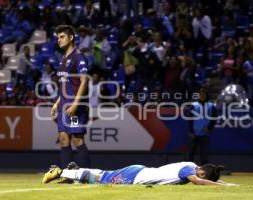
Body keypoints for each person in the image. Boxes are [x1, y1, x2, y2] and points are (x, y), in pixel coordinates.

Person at [51, 25, 90, 169]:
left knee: (77, 139)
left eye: (62, 37)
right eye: (57, 38)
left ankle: (86, 174)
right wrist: (56, 103)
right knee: (63, 139)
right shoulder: (63, 59)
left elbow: (84, 81)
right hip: (63, 106)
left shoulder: (79, 57)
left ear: (71, 37)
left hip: (76, 106)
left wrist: (75, 104)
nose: (59, 40)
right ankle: (66, 174)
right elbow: (64, 85)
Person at [42, 161, 236, 186]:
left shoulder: (192, 164)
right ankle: (60, 172)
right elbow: (197, 182)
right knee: (102, 180)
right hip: (136, 176)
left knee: (104, 175)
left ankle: (74, 174)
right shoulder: (189, 171)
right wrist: (224, 185)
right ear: (202, 173)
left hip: (139, 172)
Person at [186, 88, 217, 165]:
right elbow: (190, 119)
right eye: (201, 94)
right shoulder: (194, 105)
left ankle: (204, 173)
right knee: (189, 155)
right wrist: (191, 131)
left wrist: (209, 127)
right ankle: (189, 172)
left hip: (205, 134)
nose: (202, 96)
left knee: (204, 156)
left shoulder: (211, 106)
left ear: (206, 95)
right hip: (194, 134)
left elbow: (214, 119)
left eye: (204, 94)